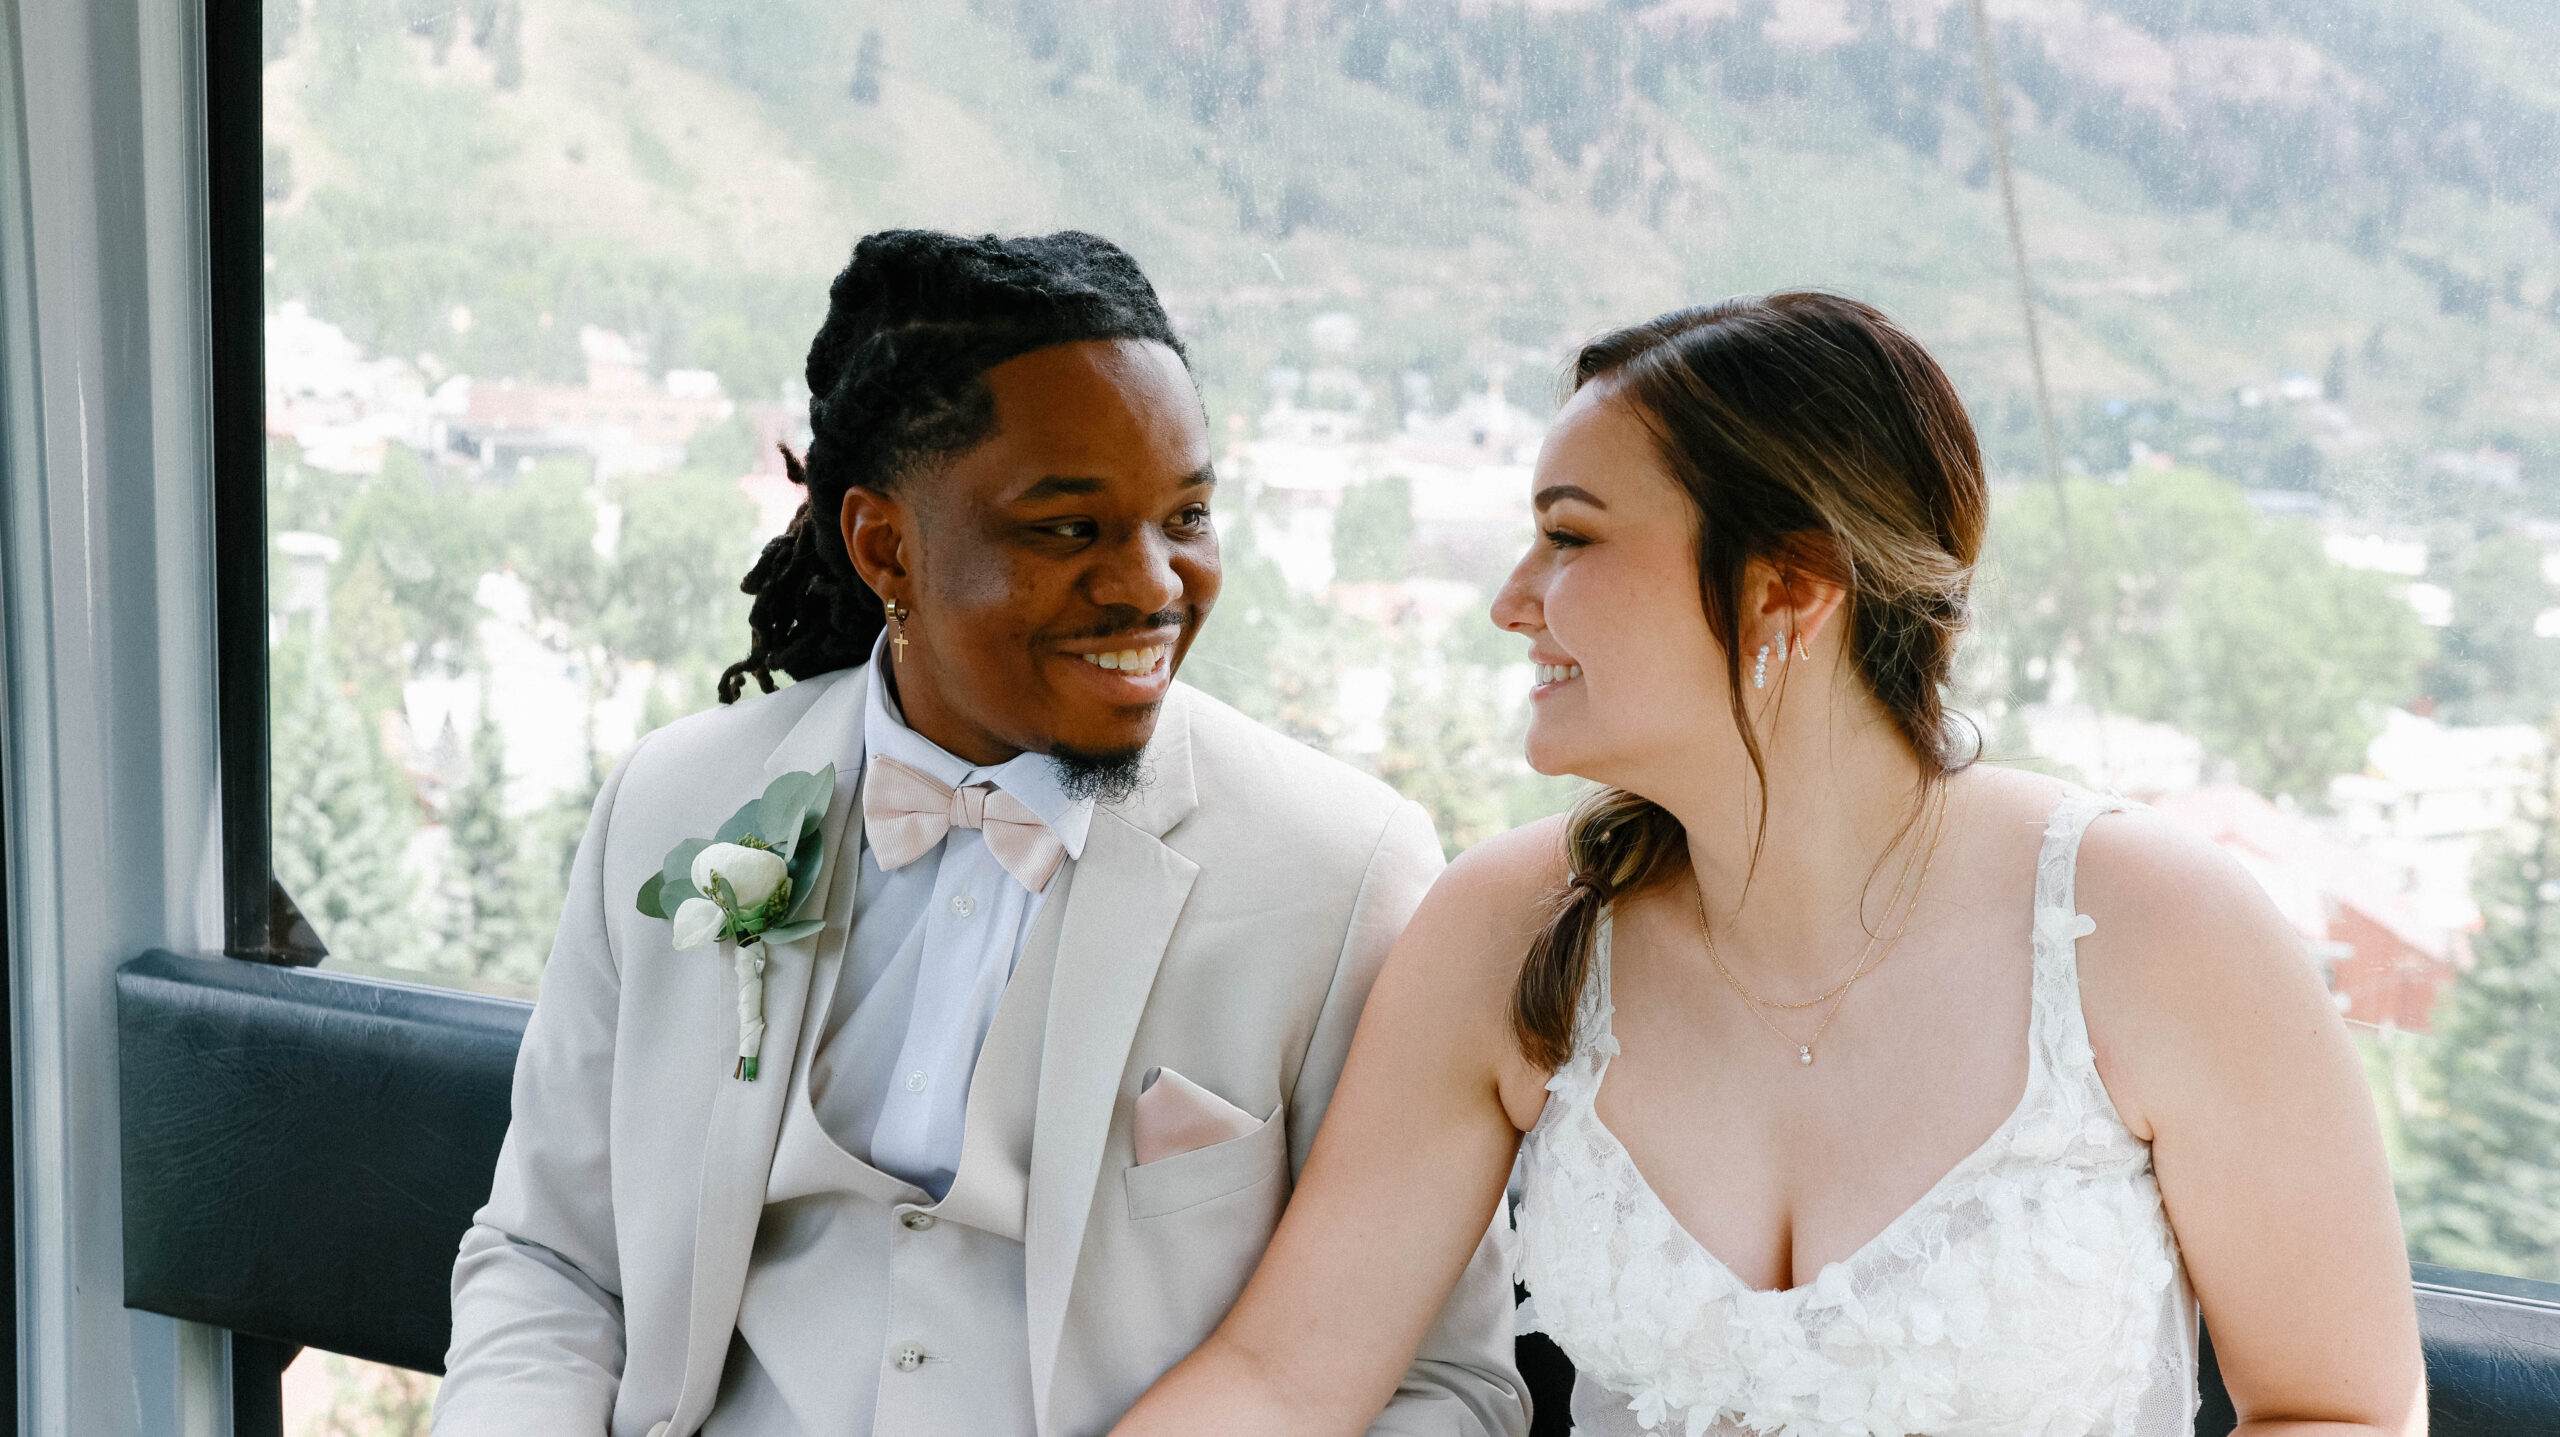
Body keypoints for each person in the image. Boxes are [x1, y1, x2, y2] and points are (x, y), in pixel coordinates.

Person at [1113, 293, 2427, 1437]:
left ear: (1789, 589)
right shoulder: (1503, 929)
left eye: (1571, 538)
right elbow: (1285, 1381)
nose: (1514, 597)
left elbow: (2342, 1410)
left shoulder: (2160, 931)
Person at [433, 230, 1525, 1437]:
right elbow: (549, 1257)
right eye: (1068, 529)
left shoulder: (1342, 869)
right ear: (884, 545)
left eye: (1189, 515)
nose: (1155, 584)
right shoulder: (673, 801)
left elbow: (1443, 1388)